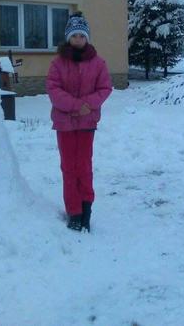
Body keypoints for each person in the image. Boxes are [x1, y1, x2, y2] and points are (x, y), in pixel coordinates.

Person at [46, 12, 112, 232]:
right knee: (68, 167)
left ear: (87, 38)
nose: (78, 39)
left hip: (86, 124)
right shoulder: (57, 63)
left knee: (84, 166)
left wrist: (88, 104)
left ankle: (86, 210)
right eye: (74, 35)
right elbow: (53, 90)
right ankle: (73, 212)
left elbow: (104, 88)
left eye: (81, 36)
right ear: (68, 38)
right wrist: (76, 105)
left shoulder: (98, 63)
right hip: (65, 124)